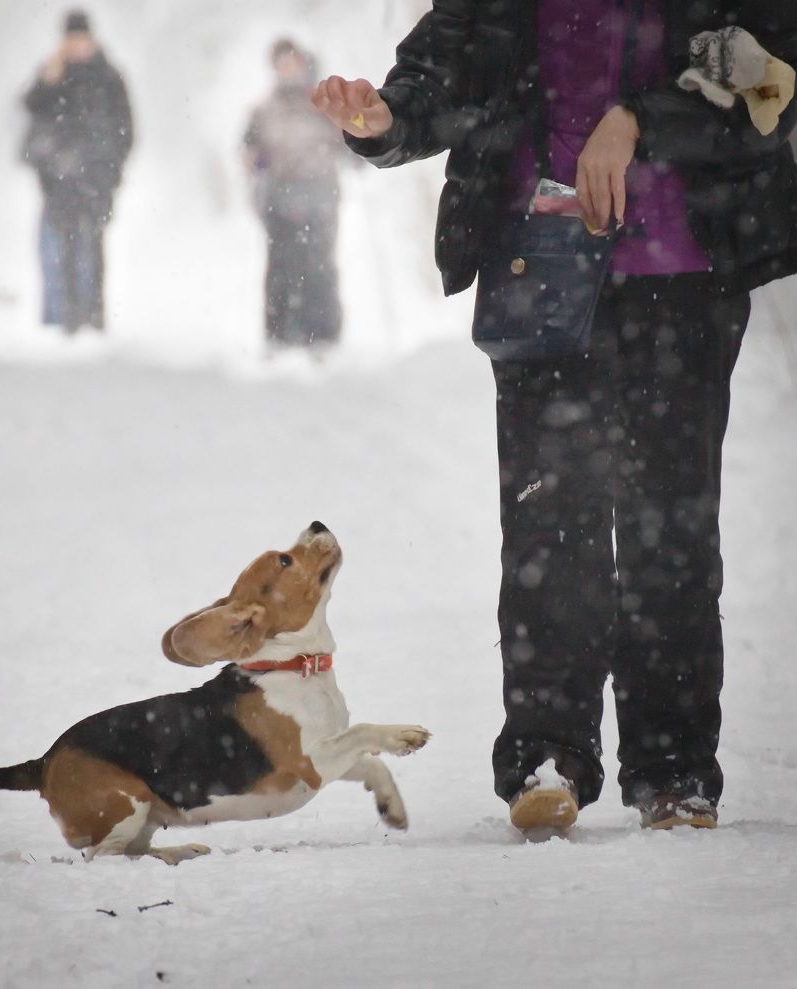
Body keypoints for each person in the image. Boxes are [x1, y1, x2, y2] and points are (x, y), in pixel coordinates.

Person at [313, 2, 797, 833]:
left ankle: (674, 769)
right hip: (537, 266)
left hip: (682, 271)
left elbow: (772, 76)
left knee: (670, 528)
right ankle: (548, 757)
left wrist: (638, 120)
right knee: (549, 525)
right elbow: (447, 68)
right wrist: (387, 116)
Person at [22, 9, 132, 334]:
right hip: (60, 177)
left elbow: (125, 128)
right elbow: (31, 107)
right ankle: (70, 317)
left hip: (97, 176)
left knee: (94, 242)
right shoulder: (55, 74)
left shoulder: (108, 76)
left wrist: (111, 167)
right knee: (66, 245)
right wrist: (49, 78)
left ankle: (95, 314)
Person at [243, 39, 349, 354]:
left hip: (320, 198)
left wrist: (355, 146)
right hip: (281, 199)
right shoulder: (263, 110)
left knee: (319, 268)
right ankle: (280, 336)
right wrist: (256, 162)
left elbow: (347, 141)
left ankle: (323, 337)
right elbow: (250, 150)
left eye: (292, 62)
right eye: (281, 64)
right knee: (281, 269)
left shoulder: (324, 105)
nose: (288, 69)